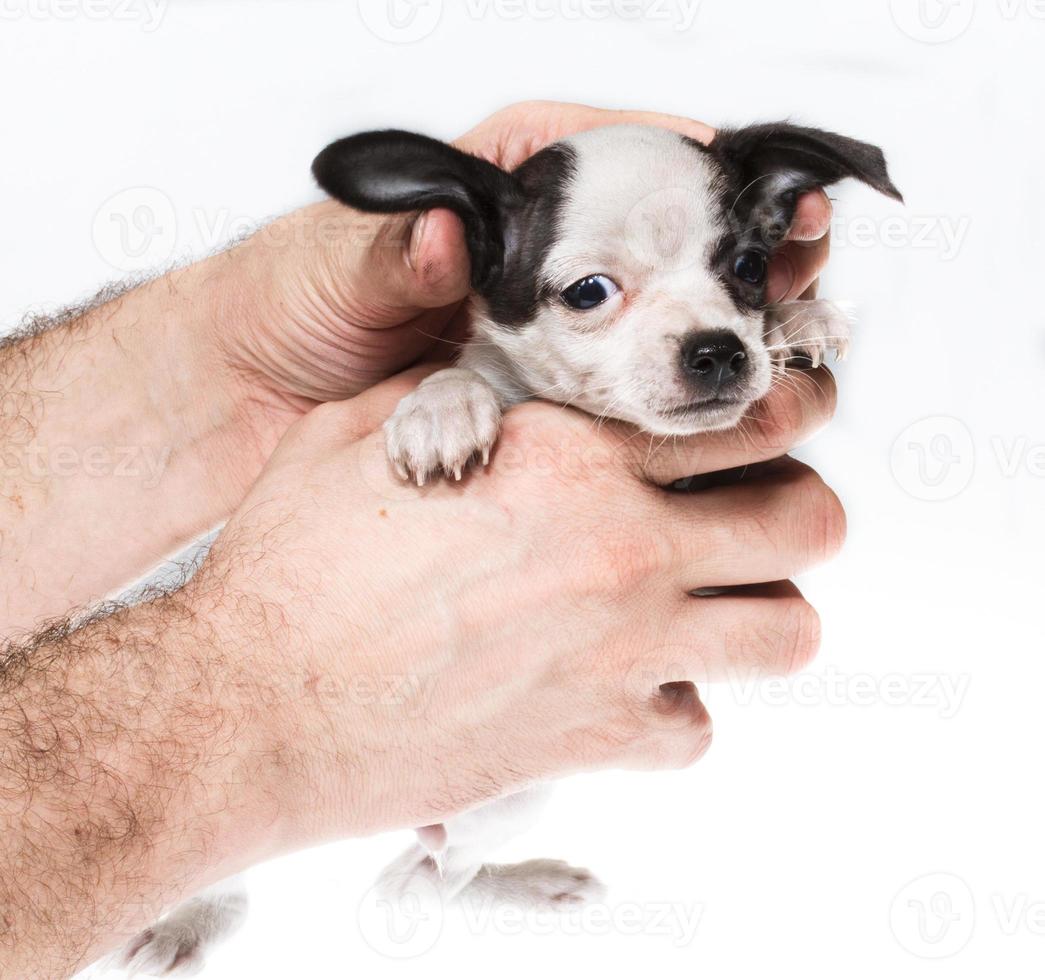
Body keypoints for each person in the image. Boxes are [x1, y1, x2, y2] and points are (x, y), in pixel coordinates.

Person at [0, 102, 844, 978]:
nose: (707, 341)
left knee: (506, 802)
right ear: (484, 266)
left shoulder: (726, 341)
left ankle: (461, 869)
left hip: (515, 727)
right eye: (591, 293)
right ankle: (216, 888)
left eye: (742, 268)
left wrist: (783, 337)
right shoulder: (460, 376)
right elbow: (443, 394)